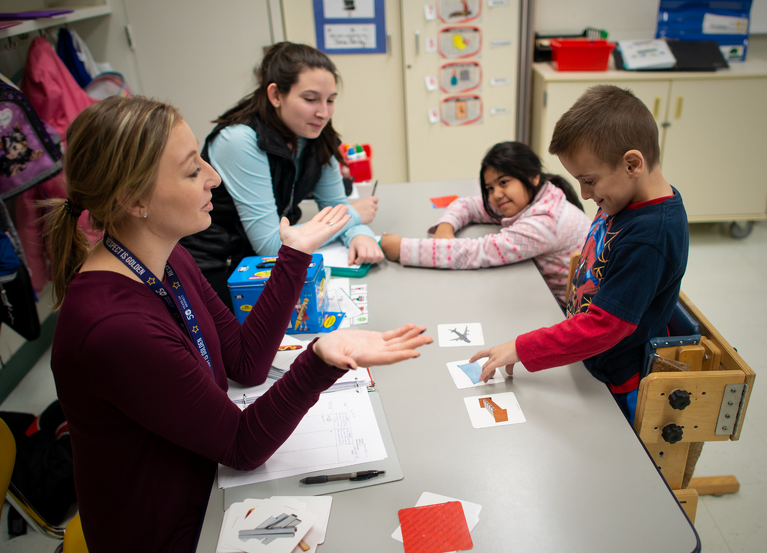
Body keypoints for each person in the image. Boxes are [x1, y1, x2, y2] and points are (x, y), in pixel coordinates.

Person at [45, 96, 431, 553]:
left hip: (208, 487)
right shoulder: (113, 328)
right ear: (133, 200)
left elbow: (245, 363)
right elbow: (242, 446)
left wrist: (294, 256)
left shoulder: (168, 258)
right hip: (173, 531)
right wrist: (321, 360)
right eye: (192, 171)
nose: (215, 177)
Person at [472, 85, 689, 425]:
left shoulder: (651, 236)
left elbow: (606, 326)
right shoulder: (623, 197)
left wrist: (523, 348)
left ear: (632, 164)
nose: (585, 194)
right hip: (584, 356)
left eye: (589, 181)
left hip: (613, 379)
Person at [180, 42, 383, 310]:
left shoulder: (314, 134)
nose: (324, 112)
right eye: (311, 99)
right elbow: (271, 245)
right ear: (276, 95)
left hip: (258, 262)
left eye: (330, 100)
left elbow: (336, 208)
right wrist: (354, 215)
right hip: (219, 270)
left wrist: (358, 234)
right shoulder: (239, 140)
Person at [379, 141, 591, 307]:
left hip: (564, 313)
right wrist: (446, 226)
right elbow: (469, 205)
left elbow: (478, 252)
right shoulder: (539, 197)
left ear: (533, 177)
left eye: (504, 182)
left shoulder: (544, 223)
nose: (496, 194)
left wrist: (402, 249)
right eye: (490, 188)